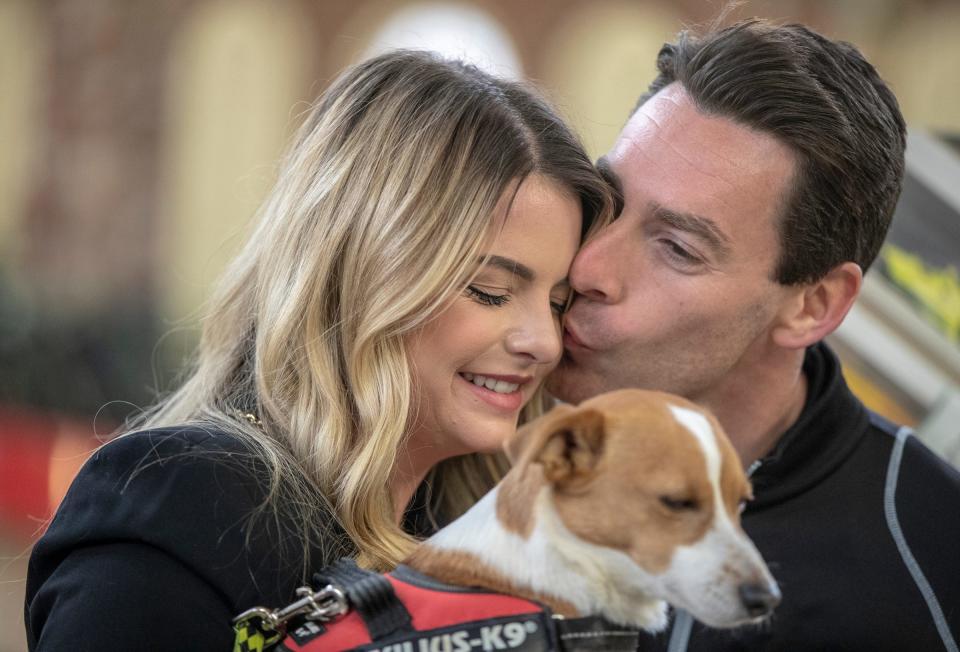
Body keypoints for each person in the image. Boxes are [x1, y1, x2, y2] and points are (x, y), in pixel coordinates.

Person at [24, 50, 614, 650]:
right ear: (361, 272)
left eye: (558, 301)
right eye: (491, 291)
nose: (541, 341)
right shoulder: (184, 504)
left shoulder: (485, 541)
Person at [548, 18, 960, 651]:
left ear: (813, 306)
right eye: (606, 200)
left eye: (678, 248)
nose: (586, 268)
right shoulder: (479, 421)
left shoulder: (921, 567)